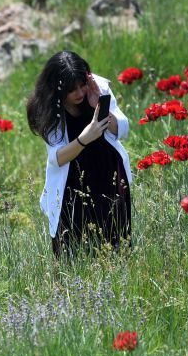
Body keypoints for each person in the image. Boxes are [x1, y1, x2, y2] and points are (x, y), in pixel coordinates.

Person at [26, 50, 133, 258]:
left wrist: (99, 104)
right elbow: (57, 158)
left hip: (108, 172)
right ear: (57, 90)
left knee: (116, 243)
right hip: (72, 180)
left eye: (81, 84)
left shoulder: (96, 87)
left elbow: (121, 129)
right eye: (71, 89)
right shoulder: (49, 107)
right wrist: (85, 138)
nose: (79, 93)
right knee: (72, 249)